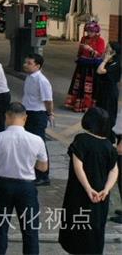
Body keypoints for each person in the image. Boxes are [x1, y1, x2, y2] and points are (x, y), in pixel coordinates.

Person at [0, 101, 49, 255]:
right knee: (30, 229)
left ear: (7, 116)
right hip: (26, 188)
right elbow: (43, 167)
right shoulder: (36, 140)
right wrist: (29, 162)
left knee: (0, 227)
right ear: (25, 117)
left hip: (3, 185)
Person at [57, 107, 119, 255]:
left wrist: (88, 188)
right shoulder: (108, 146)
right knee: (95, 227)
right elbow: (114, 170)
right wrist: (106, 190)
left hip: (79, 192)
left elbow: (78, 167)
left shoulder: (81, 140)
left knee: (77, 225)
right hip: (100, 196)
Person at [22, 53, 53, 185]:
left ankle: (43, 175)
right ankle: (33, 171)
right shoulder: (29, 77)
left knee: (39, 145)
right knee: (29, 144)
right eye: (25, 62)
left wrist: (50, 113)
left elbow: (48, 100)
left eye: (29, 63)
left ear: (38, 66)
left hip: (38, 114)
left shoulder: (42, 81)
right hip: (28, 113)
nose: (25, 65)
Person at [64, 20, 106, 112]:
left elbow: (100, 54)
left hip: (92, 67)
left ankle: (89, 105)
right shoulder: (84, 38)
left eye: (91, 31)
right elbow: (80, 51)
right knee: (80, 84)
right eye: (88, 31)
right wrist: (80, 55)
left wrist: (90, 49)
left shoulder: (100, 41)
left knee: (90, 86)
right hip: (82, 65)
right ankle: (78, 103)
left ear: (96, 31)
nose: (89, 33)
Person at [95, 42, 121, 130]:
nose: (105, 49)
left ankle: (107, 131)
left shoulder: (116, 62)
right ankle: (100, 129)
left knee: (108, 112)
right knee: (100, 110)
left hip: (110, 90)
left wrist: (105, 60)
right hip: (103, 89)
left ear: (114, 51)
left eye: (108, 47)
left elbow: (99, 71)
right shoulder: (110, 59)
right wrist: (105, 58)